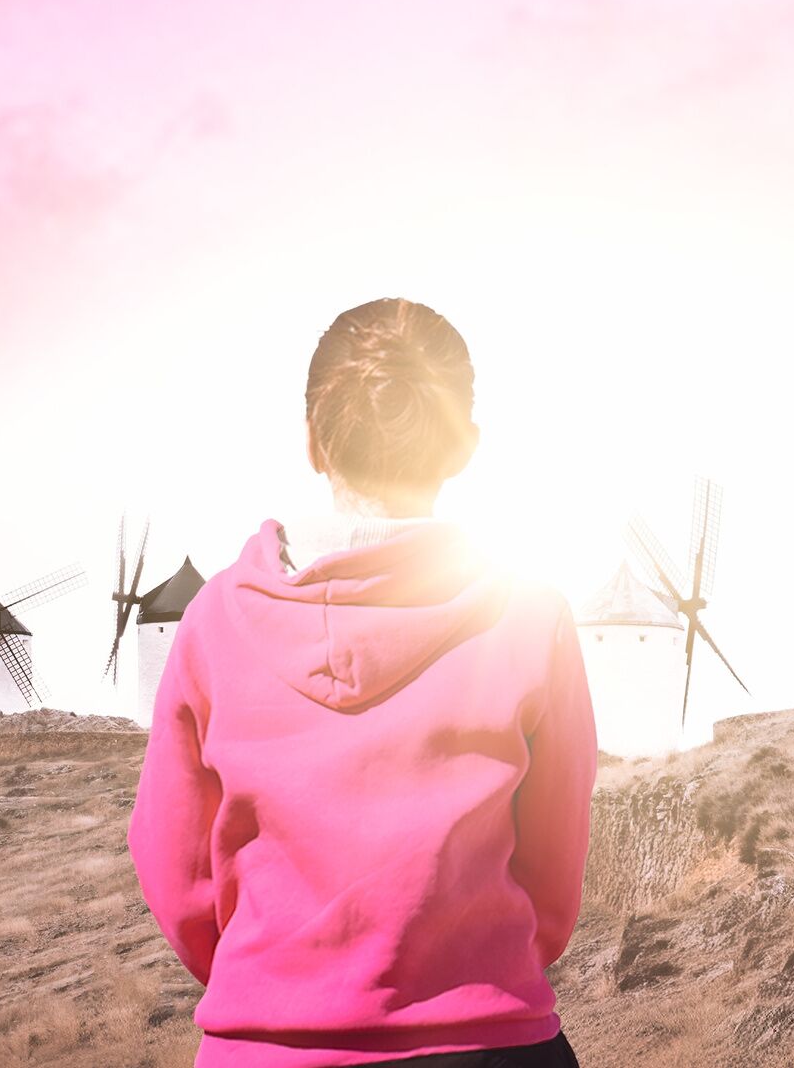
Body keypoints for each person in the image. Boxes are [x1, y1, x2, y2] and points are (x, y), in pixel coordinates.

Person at [131, 299, 593, 1066]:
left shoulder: (212, 621)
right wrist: (474, 976)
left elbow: (174, 870)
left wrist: (276, 987)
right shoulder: (531, 616)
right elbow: (553, 869)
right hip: (487, 1043)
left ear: (313, 440)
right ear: (466, 445)